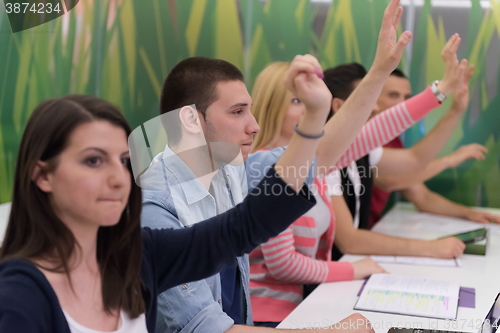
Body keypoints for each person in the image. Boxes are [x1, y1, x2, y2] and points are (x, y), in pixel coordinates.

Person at [141, 1, 414, 332]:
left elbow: (321, 157)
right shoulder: (156, 208)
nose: (253, 126)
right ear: (190, 119)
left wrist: (379, 73)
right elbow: (206, 328)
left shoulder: (228, 172)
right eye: (238, 112)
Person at [0, 94, 340, 333]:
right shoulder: (20, 295)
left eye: (124, 161)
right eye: (93, 160)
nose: (118, 178)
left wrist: (315, 117)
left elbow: (247, 225)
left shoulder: (139, 254)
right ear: (42, 176)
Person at [246, 41, 469, 323]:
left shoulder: (311, 162)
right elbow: (282, 265)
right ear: (270, 106)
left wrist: (441, 89)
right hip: (267, 317)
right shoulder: (265, 169)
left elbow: (374, 131)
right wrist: (353, 270)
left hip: (303, 305)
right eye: (296, 99)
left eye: (313, 98)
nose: (312, 106)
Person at [371, 66, 500, 226]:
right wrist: (448, 160)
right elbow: (390, 180)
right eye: (393, 95)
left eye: (407, 97)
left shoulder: (393, 140)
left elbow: (421, 196)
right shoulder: (363, 136)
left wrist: (470, 214)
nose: (402, 104)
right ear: (372, 99)